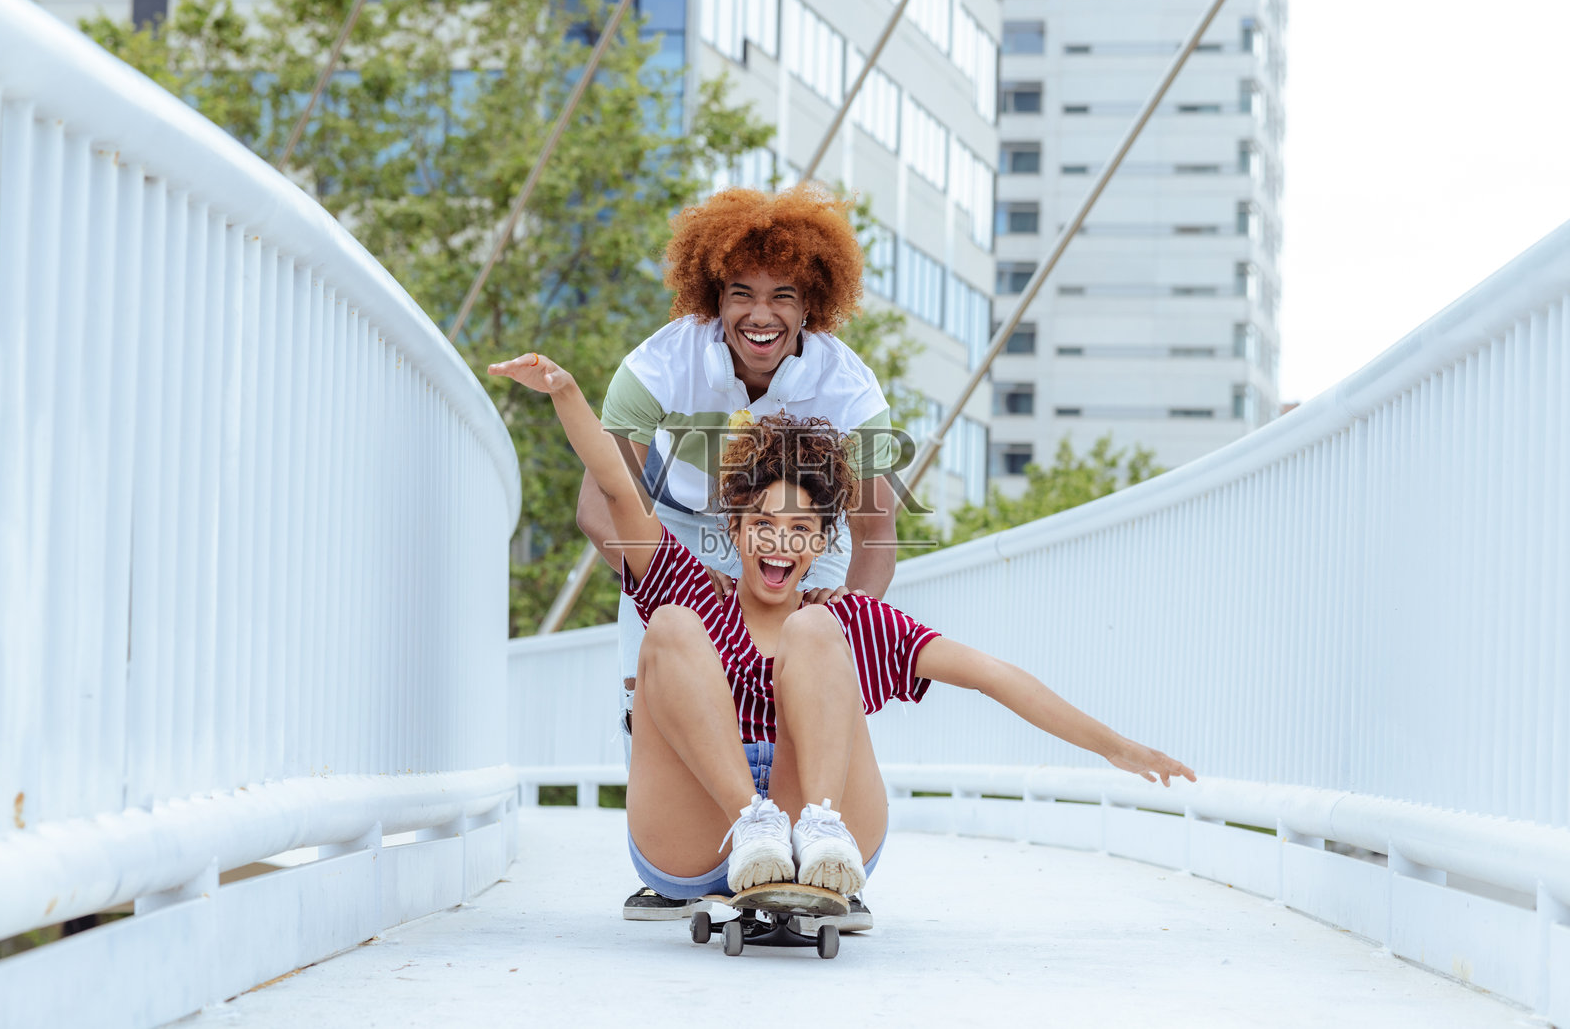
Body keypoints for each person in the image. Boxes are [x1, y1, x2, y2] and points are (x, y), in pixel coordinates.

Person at [488, 351, 1197, 914]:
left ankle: (818, 828)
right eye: (763, 524)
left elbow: (990, 673)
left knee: (820, 629)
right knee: (667, 624)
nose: (778, 544)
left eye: (800, 530)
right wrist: (567, 392)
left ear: (822, 538)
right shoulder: (691, 588)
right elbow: (617, 488)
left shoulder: (841, 616)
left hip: (820, 817)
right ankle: (751, 821)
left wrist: (1121, 747)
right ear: (733, 529)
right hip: (698, 828)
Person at [573, 185, 902, 922]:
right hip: (679, 520)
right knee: (655, 681)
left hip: (801, 531)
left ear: (811, 304)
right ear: (711, 299)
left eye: (783, 295)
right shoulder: (656, 365)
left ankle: (820, 850)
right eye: (740, 293)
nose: (761, 314)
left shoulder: (851, 389)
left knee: (815, 667)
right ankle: (686, 864)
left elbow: (877, 533)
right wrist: (677, 583)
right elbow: (599, 506)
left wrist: (846, 614)